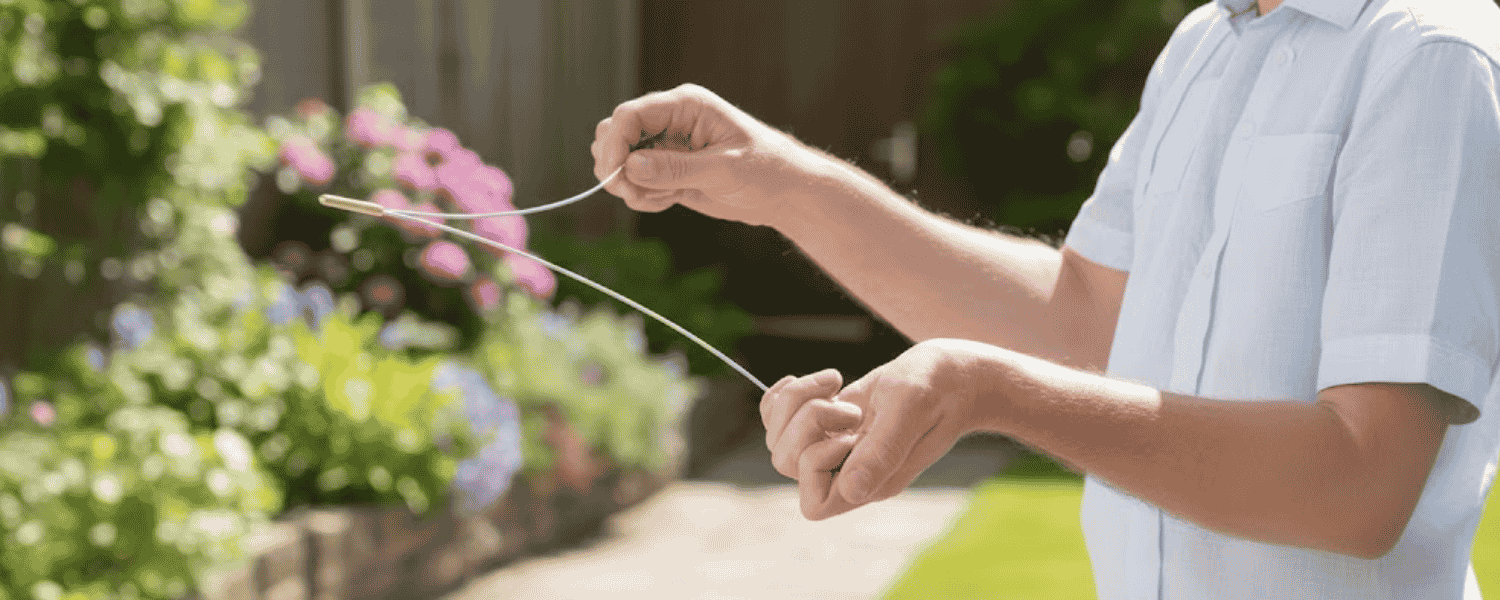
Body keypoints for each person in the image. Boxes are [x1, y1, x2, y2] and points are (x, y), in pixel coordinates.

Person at [591, 0, 1500, 596]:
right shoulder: (1205, 46)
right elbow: (1085, 323)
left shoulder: (1431, 60)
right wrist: (786, 185)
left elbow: (1361, 484)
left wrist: (990, 392)